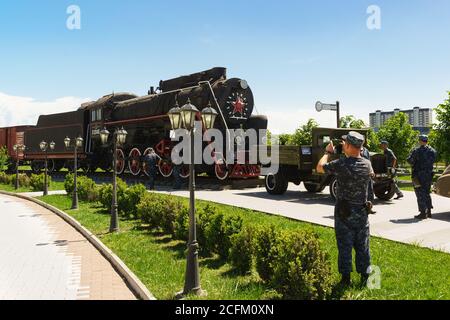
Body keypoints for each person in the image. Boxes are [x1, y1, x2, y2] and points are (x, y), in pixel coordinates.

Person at [317, 131, 373, 287]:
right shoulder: (367, 164)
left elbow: (320, 168)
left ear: (348, 145)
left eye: (345, 143)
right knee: (363, 246)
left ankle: (346, 279)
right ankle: (365, 278)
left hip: (344, 213)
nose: (343, 145)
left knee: (345, 245)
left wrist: (328, 152)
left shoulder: (342, 164)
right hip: (362, 212)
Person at [407, 135, 437, 219]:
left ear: (420, 141)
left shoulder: (417, 151)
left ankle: (423, 212)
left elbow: (410, 160)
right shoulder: (432, 151)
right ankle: (429, 211)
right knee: (427, 192)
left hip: (418, 175)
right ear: (427, 141)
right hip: (428, 175)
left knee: (419, 193)